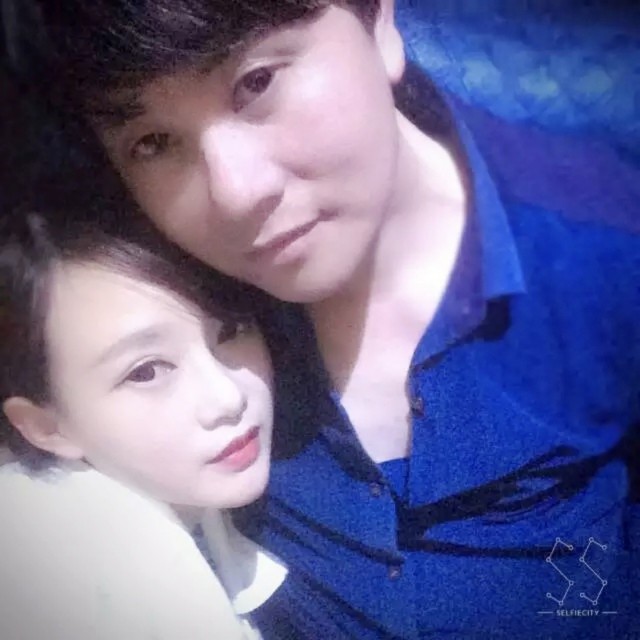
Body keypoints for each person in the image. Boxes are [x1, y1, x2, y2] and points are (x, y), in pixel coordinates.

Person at [14, 1, 640, 637]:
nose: (236, 193)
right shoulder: (154, 281)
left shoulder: (607, 244)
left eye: (257, 81)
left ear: (380, 22)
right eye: (153, 143)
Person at [0, 205, 286, 640]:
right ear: (46, 426)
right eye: (146, 372)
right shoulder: (71, 557)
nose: (228, 398)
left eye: (230, 330)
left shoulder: (190, 512)